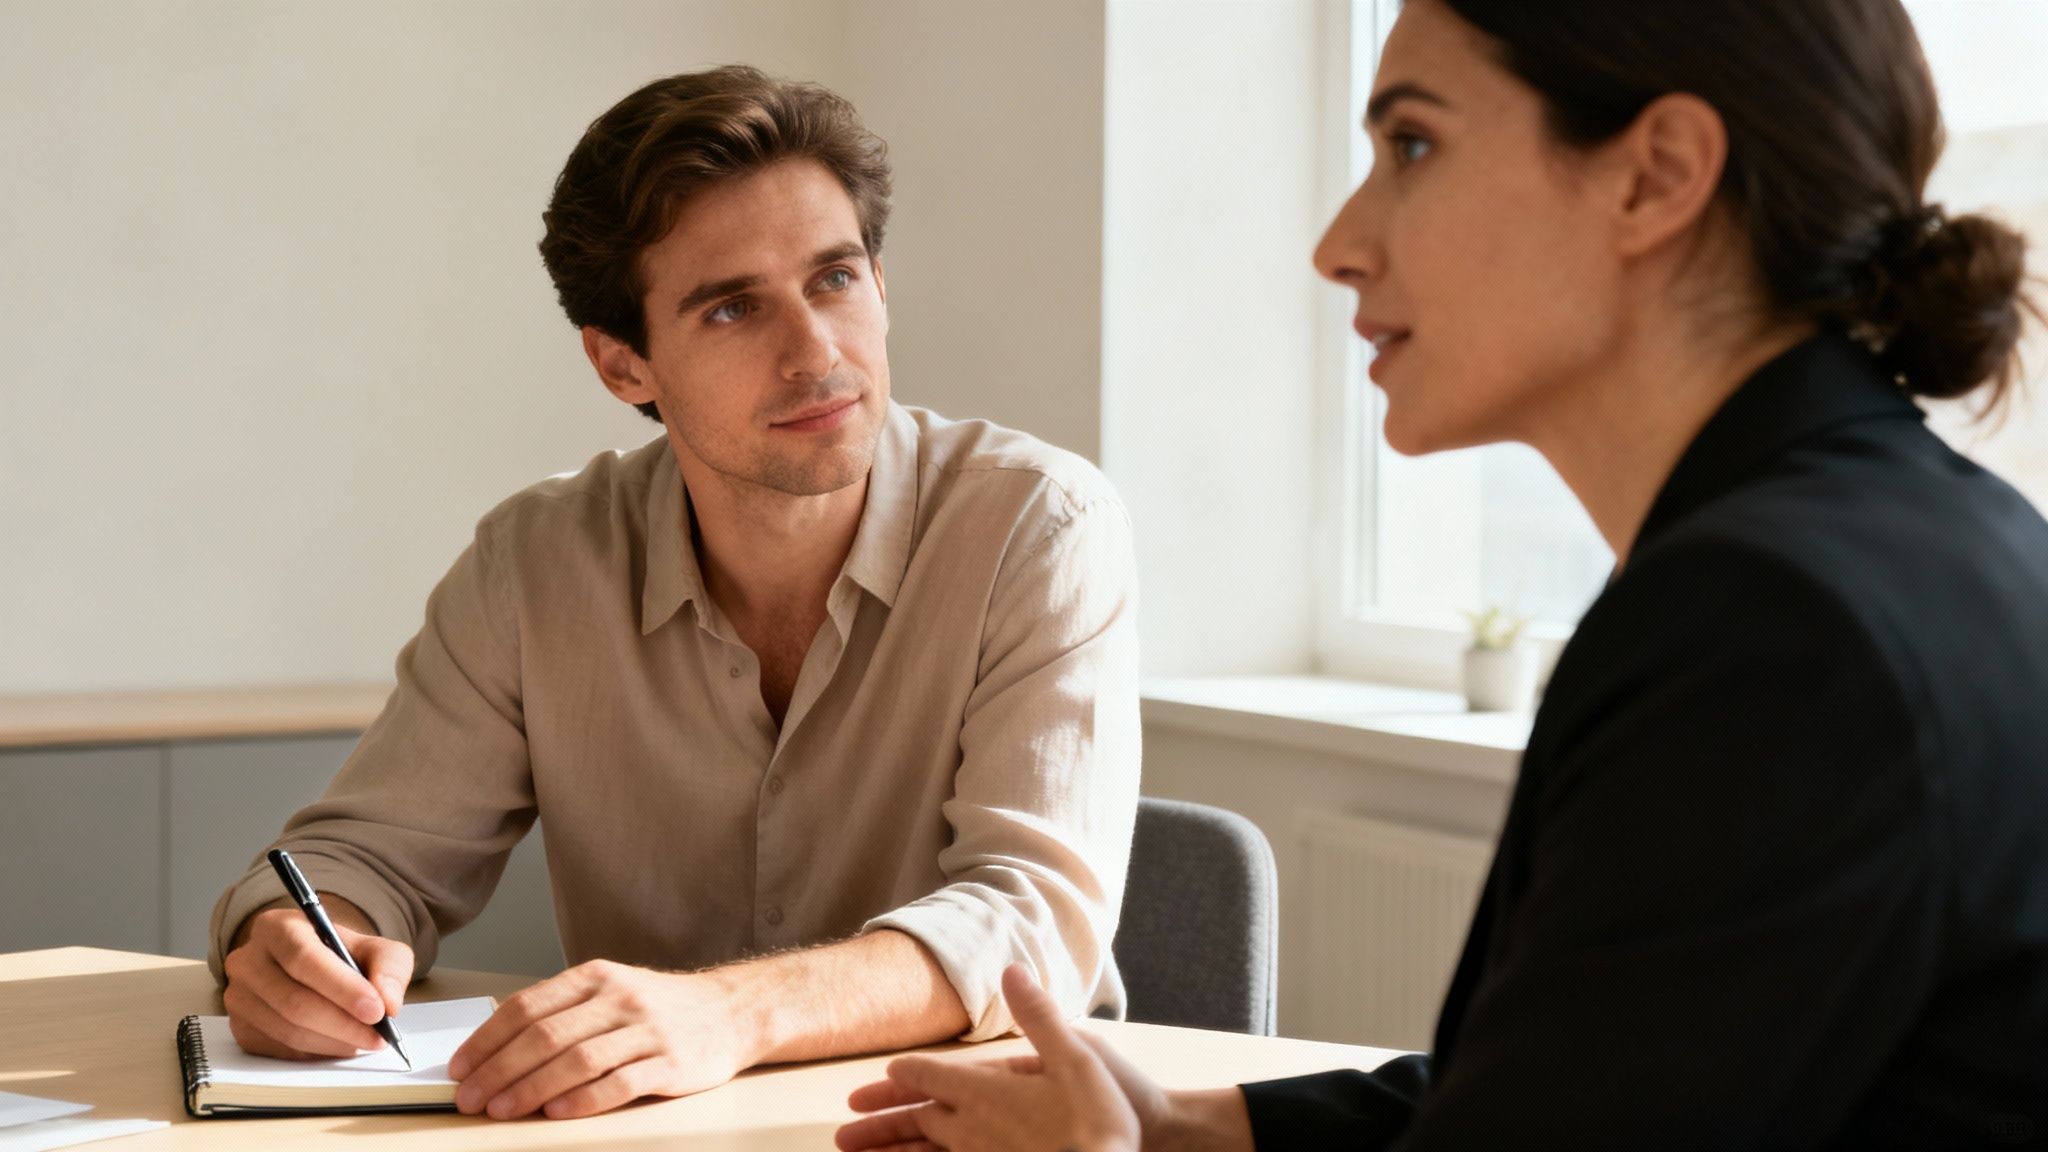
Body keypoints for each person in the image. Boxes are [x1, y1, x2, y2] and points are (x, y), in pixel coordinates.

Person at [837, 0, 2048, 1147]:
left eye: (1411, 143)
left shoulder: (1771, 625)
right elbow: (1593, 1079)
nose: (1335, 246)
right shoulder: (1915, 543)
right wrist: (1196, 1128)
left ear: (1657, 171)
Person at [206, 65, 1142, 1122]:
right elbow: (365, 857)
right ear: (622, 366)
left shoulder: (1037, 525)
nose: (815, 354)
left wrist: (729, 1014)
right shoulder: (536, 562)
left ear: (879, 283)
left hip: (974, 1132)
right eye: (734, 308)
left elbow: (1031, 927)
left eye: (834, 279)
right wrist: (294, 943)